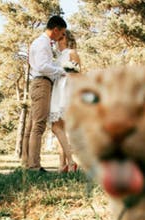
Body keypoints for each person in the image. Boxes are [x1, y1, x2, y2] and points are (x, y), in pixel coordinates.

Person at [22, 16, 67, 172]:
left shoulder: (42, 43)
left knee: (32, 125)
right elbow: (42, 66)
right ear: (56, 29)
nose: (61, 37)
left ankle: (27, 162)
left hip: (39, 82)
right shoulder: (42, 43)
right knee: (38, 125)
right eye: (61, 33)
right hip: (41, 83)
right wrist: (61, 71)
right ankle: (34, 166)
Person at [49, 30, 81, 173]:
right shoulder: (58, 57)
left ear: (66, 40)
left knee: (56, 128)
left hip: (66, 91)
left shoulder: (71, 52)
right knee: (60, 129)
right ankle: (62, 165)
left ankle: (71, 161)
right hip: (57, 91)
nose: (57, 40)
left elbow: (77, 75)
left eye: (60, 38)